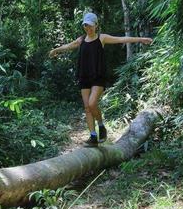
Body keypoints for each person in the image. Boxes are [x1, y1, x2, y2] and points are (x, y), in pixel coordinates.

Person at [49, 12, 153, 146]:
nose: (88, 28)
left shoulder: (101, 38)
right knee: (87, 108)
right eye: (86, 25)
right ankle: (93, 137)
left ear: (96, 25)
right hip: (84, 76)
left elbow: (121, 39)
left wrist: (141, 39)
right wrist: (56, 50)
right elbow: (68, 46)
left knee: (92, 104)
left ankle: (101, 126)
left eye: (91, 26)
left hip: (98, 76)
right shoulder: (81, 40)